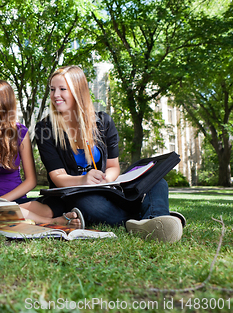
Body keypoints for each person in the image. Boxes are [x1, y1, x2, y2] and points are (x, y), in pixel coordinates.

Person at [20, 65, 184, 242]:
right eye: (52, 89)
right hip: (76, 195)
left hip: (108, 190)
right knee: (87, 205)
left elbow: (113, 166)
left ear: (78, 91)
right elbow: (58, 176)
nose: (55, 95)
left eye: (62, 89)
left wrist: (106, 179)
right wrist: (83, 180)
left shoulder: (103, 122)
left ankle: (153, 220)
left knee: (158, 181)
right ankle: (149, 216)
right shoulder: (45, 128)